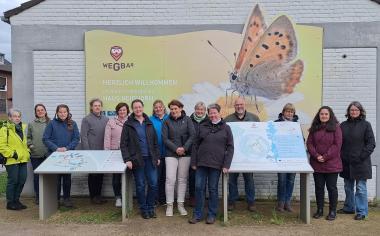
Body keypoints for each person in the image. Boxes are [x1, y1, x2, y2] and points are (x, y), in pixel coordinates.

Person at [189, 103, 234, 224]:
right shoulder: (203, 126)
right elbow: (195, 145)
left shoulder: (226, 128)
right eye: (211, 113)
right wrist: (193, 162)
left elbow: (230, 147)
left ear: (220, 113)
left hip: (216, 164)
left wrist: (226, 165)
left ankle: (211, 214)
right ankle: (197, 214)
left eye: (215, 112)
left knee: (213, 189)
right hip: (201, 163)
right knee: (199, 188)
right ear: (208, 114)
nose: (213, 115)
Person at [120, 99, 160, 219]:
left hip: (150, 159)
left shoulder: (149, 122)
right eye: (135, 107)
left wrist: (157, 156)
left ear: (143, 108)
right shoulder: (128, 124)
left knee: (153, 183)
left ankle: (150, 207)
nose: (138, 109)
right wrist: (127, 159)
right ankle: (143, 208)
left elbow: (154, 142)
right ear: (133, 109)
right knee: (140, 185)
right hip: (137, 159)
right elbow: (123, 144)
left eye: (140, 107)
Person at [338, 101, 376, 220]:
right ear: (348, 112)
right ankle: (349, 207)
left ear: (360, 112)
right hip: (346, 162)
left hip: (361, 162)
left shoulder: (366, 125)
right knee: (348, 187)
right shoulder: (343, 125)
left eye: (356, 110)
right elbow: (338, 142)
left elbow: (371, 143)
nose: (354, 112)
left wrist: (361, 156)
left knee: (360, 188)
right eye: (352, 110)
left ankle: (362, 211)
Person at [306, 106, 342, 221]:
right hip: (317, 164)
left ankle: (332, 211)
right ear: (319, 115)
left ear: (330, 115)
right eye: (322, 114)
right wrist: (316, 156)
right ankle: (320, 210)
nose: (324, 116)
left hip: (332, 164)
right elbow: (309, 144)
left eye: (326, 114)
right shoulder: (314, 128)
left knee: (332, 188)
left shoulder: (336, 128)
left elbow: (337, 145)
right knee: (319, 188)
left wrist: (325, 157)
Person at [225, 97, 259, 212]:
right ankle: (232, 201)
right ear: (234, 106)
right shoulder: (227, 120)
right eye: (237, 105)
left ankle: (251, 202)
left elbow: (259, 135)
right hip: (233, 157)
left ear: (245, 105)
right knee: (231, 180)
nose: (239, 106)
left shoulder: (254, 118)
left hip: (248, 156)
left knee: (249, 179)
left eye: (241, 104)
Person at [162, 99, 195, 216]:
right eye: (171, 109)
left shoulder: (188, 120)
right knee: (170, 180)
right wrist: (176, 149)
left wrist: (184, 148)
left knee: (182, 180)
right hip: (171, 154)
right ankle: (169, 205)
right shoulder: (166, 121)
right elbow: (165, 139)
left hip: (185, 154)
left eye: (175, 108)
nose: (173, 111)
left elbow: (192, 135)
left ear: (181, 108)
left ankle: (180, 205)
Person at [43, 104, 80, 208]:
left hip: (68, 155)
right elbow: (45, 139)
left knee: (67, 178)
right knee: (56, 179)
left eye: (65, 112)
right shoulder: (51, 124)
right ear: (57, 113)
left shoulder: (72, 124)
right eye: (60, 112)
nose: (63, 114)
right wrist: (56, 148)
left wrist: (67, 148)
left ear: (68, 113)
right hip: (54, 155)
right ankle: (56, 200)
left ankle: (67, 199)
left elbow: (76, 138)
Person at [0, 109, 30, 210]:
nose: (17, 118)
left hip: (23, 159)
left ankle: (16, 200)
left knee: (22, 180)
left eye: (19, 116)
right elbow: (2, 146)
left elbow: (23, 144)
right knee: (13, 181)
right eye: (14, 116)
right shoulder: (5, 129)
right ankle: (10, 202)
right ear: (10, 118)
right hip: (12, 160)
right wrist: (13, 154)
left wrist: (28, 151)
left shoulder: (21, 128)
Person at [81, 98, 109, 204]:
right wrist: (87, 152)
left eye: (99, 105)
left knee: (100, 175)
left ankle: (98, 195)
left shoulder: (106, 119)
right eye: (95, 105)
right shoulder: (86, 119)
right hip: (91, 152)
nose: (97, 107)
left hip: (103, 152)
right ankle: (93, 196)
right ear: (91, 107)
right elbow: (83, 136)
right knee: (93, 175)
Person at [104, 102, 129, 208]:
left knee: (128, 176)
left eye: (124, 109)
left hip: (128, 153)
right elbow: (107, 137)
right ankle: (118, 198)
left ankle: (127, 197)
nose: (122, 112)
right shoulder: (111, 122)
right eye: (120, 110)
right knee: (116, 177)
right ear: (117, 111)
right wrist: (107, 153)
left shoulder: (131, 121)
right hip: (114, 152)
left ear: (127, 111)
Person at [274, 103, 299, 212]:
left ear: (294, 113)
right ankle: (281, 202)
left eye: (291, 112)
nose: (289, 113)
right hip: (281, 158)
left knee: (291, 180)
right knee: (282, 180)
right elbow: (271, 138)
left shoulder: (296, 125)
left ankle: (287, 202)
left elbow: (301, 140)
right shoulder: (276, 124)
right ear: (283, 112)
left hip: (293, 158)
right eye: (287, 111)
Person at [27, 104, 50, 205]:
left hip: (49, 155)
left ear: (45, 111)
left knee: (49, 177)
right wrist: (31, 146)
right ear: (36, 112)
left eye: (42, 110)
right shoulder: (31, 124)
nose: (40, 111)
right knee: (37, 177)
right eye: (38, 110)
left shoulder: (51, 123)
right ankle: (38, 197)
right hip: (36, 155)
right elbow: (28, 138)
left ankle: (49, 196)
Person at [188, 101, 209, 207]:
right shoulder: (189, 120)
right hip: (191, 153)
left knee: (203, 176)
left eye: (202, 110)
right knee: (192, 177)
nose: (199, 111)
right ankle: (193, 197)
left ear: (205, 111)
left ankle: (202, 198)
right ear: (194, 110)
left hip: (204, 154)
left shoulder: (209, 121)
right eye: (198, 109)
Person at [149, 99, 169, 205]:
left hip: (169, 154)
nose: (158, 109)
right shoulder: (150, 120)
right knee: (155, 178)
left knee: (166, 178)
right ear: (153, 109)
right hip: (155, 155)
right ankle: (154, 199)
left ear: (164, 107)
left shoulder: (169, 118)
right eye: (156, 107)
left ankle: (163, 199)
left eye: (160, 106)